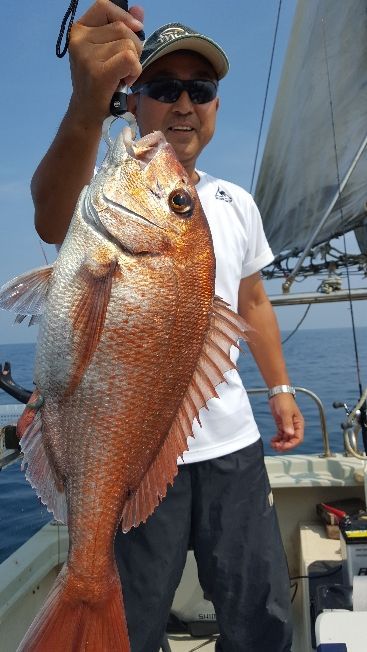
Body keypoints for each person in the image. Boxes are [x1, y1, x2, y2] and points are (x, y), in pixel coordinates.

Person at [31, 2, 304, 650]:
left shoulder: (235, 201)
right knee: (135, 623)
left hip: (233, 449)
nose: (183, 103)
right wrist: (84, 101)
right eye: (163, 87)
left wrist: (283, 389)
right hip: (132, 456)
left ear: (214, 106)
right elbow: (49, 217)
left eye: (199, 89)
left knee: (259, 611)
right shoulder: (109, 188)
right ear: (132, 101)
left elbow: (252, 301)